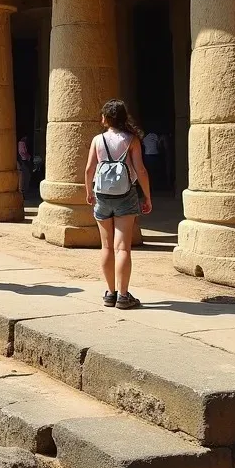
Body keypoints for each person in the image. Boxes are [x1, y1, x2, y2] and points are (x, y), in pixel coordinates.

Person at [84, 99, 151, 310]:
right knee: (122, 248)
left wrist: (89, 192)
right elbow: (140, 170)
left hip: (102, 195)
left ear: (105, 118)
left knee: (106, 246)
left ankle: (110, 293)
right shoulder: (132, 140)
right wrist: (147, 196)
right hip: (126, 195)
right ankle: (123, 296)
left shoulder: (97, 140)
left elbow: (88, 170)